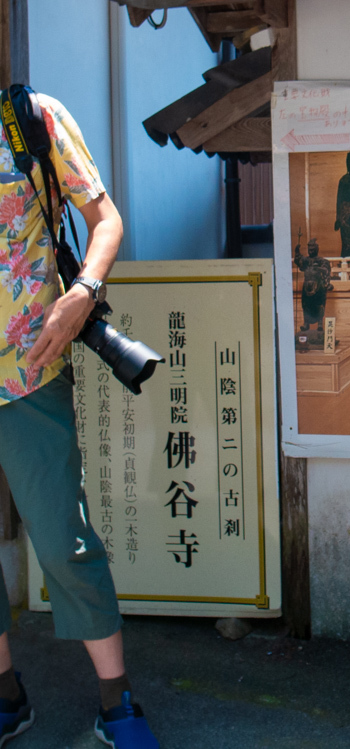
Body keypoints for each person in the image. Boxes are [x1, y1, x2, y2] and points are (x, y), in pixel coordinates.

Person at [0, 92, 159, 746]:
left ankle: (117, 701)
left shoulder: (30, 119)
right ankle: (7, 696)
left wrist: (82, 293)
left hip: (28, 370)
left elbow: (107, 220)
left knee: (64, 537)